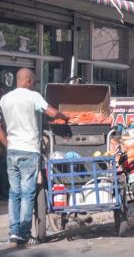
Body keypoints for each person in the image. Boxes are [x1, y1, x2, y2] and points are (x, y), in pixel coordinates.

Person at [0, 69, 68, 248]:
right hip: (29, 150)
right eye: (34, 82)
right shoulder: (33, 96)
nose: (35, 85)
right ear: (28, 80)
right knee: (28, 193)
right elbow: (51, 113)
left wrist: (8, 144)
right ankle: (24, 233)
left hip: (13, 150)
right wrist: (64, 116)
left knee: (14, 193)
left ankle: (14, 233)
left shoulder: (4, 99)